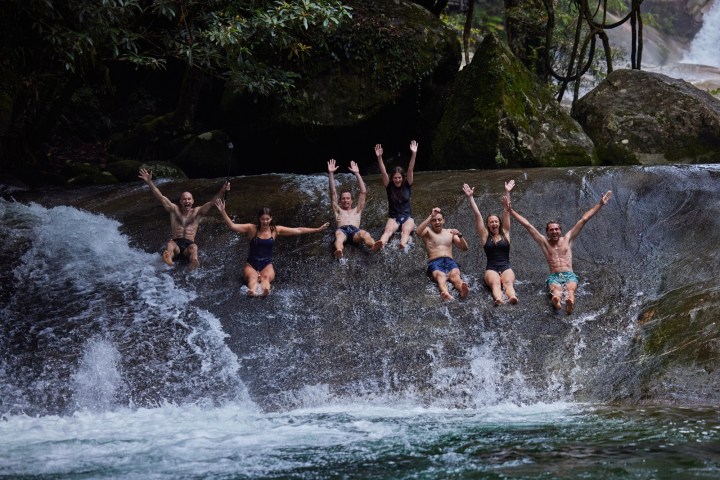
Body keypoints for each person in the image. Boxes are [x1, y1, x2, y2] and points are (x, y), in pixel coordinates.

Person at [504, 190, 613, 314]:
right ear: (547, 232)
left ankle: (569, 303)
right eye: (551, 230)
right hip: (554, 276)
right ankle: (556, 300)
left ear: (560, 230)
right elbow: (528, 225)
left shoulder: (568, 239)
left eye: (556, 229)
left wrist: (600, 204)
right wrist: (510, 211)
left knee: (570, 289)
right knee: (556, 290)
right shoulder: (544, 242)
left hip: (569, 274)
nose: (554, 231)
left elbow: (584, 219)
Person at [214, 201, 329, 296]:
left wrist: (317, 229)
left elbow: (298, 230)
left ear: (271, 218)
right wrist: (223, 212)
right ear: (259, 219)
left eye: (267, 219)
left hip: (266, 264)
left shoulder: (276, 230)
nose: (265, 222)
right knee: (252, 278)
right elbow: (233, 226)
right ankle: (252, 291)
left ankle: (265, 290)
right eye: (263, 219)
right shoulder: (251, 229)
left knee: (266, 278)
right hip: (251, 264)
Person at [138, 168, 229, 270]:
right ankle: (168, 256)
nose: (187, 201)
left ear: (193, 201)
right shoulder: (174, 209)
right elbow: (161, 197)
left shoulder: (197, 212)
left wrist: (222, 190)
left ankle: (194, 262)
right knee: (170, 244)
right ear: (180, 201)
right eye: (184, 199)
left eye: (189, 199)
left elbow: (212, 202)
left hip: (188, 245)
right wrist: (150, 182)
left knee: (194, 248)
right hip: (176, 243)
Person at [463, 180, 518, 305]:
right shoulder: (485, 236)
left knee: (508, 283)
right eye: (491, 222)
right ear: (487, 225)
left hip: (506, 267)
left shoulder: (506, 233)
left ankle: (512, 297)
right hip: (491, 268)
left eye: (496, 221)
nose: (494, 223)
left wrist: (507, 192)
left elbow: (506, 211)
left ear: (499, 223)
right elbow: (477, 215)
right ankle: (498, 299)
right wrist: (470, 197)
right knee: (495, 284)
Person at [327, 158, 382, 258]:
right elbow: (333, 192)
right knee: (338, 237)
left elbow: (363, 192)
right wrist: (331, 173)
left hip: (355, 232)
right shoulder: (337, 210)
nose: (345, 200)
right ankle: (339, 250)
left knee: (364, 234)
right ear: (340, 201)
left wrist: (357, 173)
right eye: (343, 199)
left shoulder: (357, 210)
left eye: (348, 198)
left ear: (351, 200)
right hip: (342, 230)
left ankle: (373, 245)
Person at [417, 207, 469, 300]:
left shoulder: (450, 232)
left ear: (443, 220)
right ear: (430, 222)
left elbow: (464, 248)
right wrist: (430, 216)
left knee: (455, 275)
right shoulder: (428, 231)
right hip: (435, 262)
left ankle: (462, 290)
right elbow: (418, 231)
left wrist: (460, 235)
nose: (437, 222)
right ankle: (446, 293)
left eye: (439, 219)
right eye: (434, 220)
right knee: (441, 277)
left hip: (450, 261)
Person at [374, 140, 417, 249]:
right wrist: (379, 157)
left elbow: (410, 169)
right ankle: (381, 243)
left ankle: (402, 244)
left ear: (402, 178)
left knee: (406, 231)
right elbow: (384, 173)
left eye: (399, 177)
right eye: (395, 178)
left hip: (408, 218)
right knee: (388, 231)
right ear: (392, 178)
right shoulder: (389, 187)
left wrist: (414, 153)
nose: (397, 180)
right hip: (394, 218)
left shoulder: (407, 185)